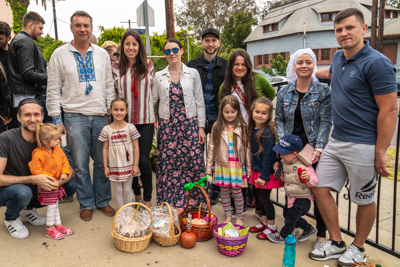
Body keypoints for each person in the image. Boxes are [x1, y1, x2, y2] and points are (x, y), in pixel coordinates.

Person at [309, 8, 398, 266]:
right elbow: (331, 74)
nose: (343, 33)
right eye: (338, 30)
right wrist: (306, 73)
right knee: (319, 187)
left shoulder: (377, 63)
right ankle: (336, 242)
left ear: (364, 29)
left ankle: (358, 248)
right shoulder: (338, 59)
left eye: (349, 28)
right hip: (337, 141)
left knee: (364, 199)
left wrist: (380, 151)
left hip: (365, 144)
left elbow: (390, 109)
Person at [46, 11, 117, 221]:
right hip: (74, 116)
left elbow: (108, 85)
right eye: (78, 25)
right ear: (71, 28)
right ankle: (86, 203)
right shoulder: (59, 54)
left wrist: (111, 112)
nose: (82, 29)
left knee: (103, 162)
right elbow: (52, 89)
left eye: (86, 25)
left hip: (100, 115)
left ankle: (103, 200)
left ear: (91, 28)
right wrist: (57, 119)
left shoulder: (102, 54)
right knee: (80, 163)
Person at [275, 48, 331, 249]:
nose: (304, 66)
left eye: (308, 62)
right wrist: (283, 145)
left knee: (318, 193)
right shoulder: (284, 91)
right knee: (292, 189)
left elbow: (326, 121)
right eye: (300, 62)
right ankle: (298, 227)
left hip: (312, 150)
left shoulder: (323, 92)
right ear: (294, 66)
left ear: (314, 65)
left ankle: (322, 236)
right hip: (291, 151)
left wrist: (319, 148)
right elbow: (279, 119)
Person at [0, 98, 77, 239]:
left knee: (70, 185)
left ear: (42, 117)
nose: (32, 119)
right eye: (27, 115)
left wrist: (58, 182)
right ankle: (11, 218)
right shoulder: (6, 138)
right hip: (9, 189)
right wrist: (33, 178)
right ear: (18, 117)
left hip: (38, 186)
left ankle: (27, 210)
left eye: (36, 114)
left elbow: (69, 169)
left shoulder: (48, 137)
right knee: (23, 192)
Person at [152, 38, 206, 212]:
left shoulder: (193, 73)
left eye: (175, 49)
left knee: (193, 162)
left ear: (182, 51)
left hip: (189, 124)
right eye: (167, 51)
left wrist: (201, 127)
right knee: (169, 164)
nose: (172, 54)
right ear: (164, 55)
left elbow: (199, 101)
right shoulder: (159, 76)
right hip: (168, 125)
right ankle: (171, 202)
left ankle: (195, 201)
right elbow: (152, 100)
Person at [111, 30, 155, 208]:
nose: (131, 47)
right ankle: (136, 193)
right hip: (125, 123)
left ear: (139, 47)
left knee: (143, 161)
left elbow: (153, 91)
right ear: (123, 47)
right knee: (129, 161)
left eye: (134, 44)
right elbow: (113, 94)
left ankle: (148, 199)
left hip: (145, 120)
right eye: (127, 44)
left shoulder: (148, 65)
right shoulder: (115, 68)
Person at [187, 27, 227, 206]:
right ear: (202, 43)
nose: (210, 44)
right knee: (198, 156)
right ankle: (201, 188)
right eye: (207, 41)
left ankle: (216, 190)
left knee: (219, 156)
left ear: (218, 43)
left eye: (214, 41)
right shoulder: (192, 65)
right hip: (198, 119)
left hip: (220, 118)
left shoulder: (226, 65)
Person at [205, 95, 251, 226]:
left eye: (233, 111)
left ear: (238, 111)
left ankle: (239, 216)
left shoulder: (243, 127)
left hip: (236, 165)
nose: (230, 115)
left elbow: (247, 148)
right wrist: (208, 168)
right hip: (222, 165)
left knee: (237, 192)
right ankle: (228, 215)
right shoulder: (217, 126)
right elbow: (212, 147)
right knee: (224, 192)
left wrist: (248, 169)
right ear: (221, 112)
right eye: (226, 112)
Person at [267, 134, 317, 243]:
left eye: (283, 153)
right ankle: (308, 229)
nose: (280, 156)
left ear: (294, 154)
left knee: (290, 220)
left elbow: (314, 181)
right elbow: (285, 178)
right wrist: (277, 171)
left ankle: (283, 236)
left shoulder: (305, 166)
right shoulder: (284, 163)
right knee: (287, 215)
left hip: (302, 199)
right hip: (291, 197)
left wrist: (308, 178)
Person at [28, 123, 74, 240]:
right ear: (45, 141)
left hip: (56, 182)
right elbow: (36, 170)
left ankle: (57, 224)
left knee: (55, 204)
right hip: (47, 185)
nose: (59, 141)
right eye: (55, 139)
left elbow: (65, 161)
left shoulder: (57, 149)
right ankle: (49, 227)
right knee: (52, 206)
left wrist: (64, 172)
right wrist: (50, 177)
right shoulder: (38, 154)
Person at [248, 97, 282, 239]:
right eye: (257, 112)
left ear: (269, 116)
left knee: (265, 199)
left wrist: (264, 176)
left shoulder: (266, 132)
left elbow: (269, 155)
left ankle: (272, 226)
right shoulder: (253, 128)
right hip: (258, 170)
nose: (259, 115)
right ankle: (264, 222)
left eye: (263, 113)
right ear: (252, 111)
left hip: (264, 172)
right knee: (260, 198)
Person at [7, 12, 49, 124]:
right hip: (30, 96)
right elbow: (28, 72)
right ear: (31, 25)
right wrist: (52, 79)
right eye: (40, 28)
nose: (42, 32)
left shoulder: (21, 40)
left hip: (27, 95)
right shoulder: (25, 42)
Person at [99, 98, 140, 210]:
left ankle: (129, 212)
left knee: (127, 189)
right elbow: (105, 148)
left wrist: (135, 165)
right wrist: (106, 167)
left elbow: (136, 147)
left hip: (128, 164)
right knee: (118, 190)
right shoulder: (106, 129)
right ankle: (121, 213)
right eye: (115, 109)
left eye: (122, 109)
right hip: (114, 165)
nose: (119, 112)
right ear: (110, 110)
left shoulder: (130, 127)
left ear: (126, 111)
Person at [219, 49, 275, 124]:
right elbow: (222, 108)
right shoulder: (224, 86)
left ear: (248, 65)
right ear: (231, 66)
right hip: (235, 129)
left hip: (255, 127)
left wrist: (261, 108)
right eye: (236, 64)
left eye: (243, 64)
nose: (240, 67)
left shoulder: (258, 78)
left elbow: (271, 94)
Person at [0, 21, 12, 132]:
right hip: (3, 107)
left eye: (0, 39)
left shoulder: (15, 53)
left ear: (9, 37)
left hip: (15, 103)